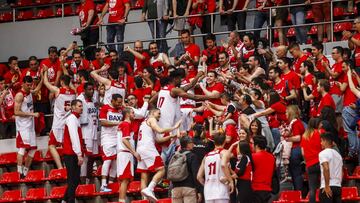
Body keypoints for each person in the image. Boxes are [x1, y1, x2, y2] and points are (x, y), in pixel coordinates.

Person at [137, 108, 182, 202]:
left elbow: (158, 140)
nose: (159, 116)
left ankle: (144, 199)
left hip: (140, 148)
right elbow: (160, 130)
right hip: (148, 148)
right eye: (158, 113)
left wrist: (170, 136)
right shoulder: (151, 119)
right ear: (152, 113)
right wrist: (174, 127)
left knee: (144, 174)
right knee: (161, 169)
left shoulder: (144, 123)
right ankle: (150, 189)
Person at [43, 70, 76, 169]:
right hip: (68, 124)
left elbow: (46, 83)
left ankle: (61, 167)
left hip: (58, 124)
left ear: (61, 82)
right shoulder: (74, 92)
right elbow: (71, 84)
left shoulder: (58, 91)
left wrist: (44, 72)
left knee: (51, 145)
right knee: (66, 147)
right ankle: (68, 166)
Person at [197, 132, 234, 203]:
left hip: (208, 192)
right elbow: (223, 165)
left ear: (214, 142)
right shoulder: (225, 152)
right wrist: (231, 181)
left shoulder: (206, 156)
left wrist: (206, 184)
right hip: (221, 191)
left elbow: (199, 176)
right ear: (224, 141)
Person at [14, 76, 39, 178]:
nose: (30, 86)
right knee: (22, 148)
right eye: (28, 85)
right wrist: (32, 114)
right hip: (22, 126)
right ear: (23, 84)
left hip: (30, 125)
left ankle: (25, 171)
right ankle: (19, 172)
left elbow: (37, 90)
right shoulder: (20, 95)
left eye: (31, 84)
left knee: (33, 149)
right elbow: (16, 112)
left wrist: (42, 76)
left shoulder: (30, 92)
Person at [99, 94, 124, 192]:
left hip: (118, 137)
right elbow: (103, 122)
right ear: (112, 101)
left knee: (116, 161)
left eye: (121, 102)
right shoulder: (105, 108)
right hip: (107, 138)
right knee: (108, 160)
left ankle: (111, 183)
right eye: (118, 102)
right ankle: (103, 185)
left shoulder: (121, 109)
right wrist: (117, 123)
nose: (120, 104)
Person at [62, 99, 85, 203]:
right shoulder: (72, 119)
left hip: (72, 153)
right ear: (73, 107)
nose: (81, 108)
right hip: (71, 153)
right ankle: (70, 200)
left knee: (74, 180)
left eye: (82, 106)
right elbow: (74, 137)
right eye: (79, 106)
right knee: (72, 180)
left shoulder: (75, 118)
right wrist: (79, 154)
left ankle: (64, 200)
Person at [116, 107, 139, 203]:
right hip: (125, 154)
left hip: (122, 154)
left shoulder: (122, 124)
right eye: (133, 113)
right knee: (125, 180)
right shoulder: (126, 124)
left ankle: (122, 199)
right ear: (128, 114)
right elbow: (125, 140)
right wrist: (134, 152)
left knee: (124, 180)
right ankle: (121, 201)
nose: (134, 114)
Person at [77, 82, 98, 183]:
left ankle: (88, 180)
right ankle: (83, 181)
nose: (92, 91)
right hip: (86, 132)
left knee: (92, 158)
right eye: (89, 89)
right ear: (84, 90)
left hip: (94, 131)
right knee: (85, 158)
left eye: (92, 89)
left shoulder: (94, 100)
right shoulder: (80, 100)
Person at [171, 136, 202, 203]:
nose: (193, 144)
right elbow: (195, 174)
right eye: (191, 143)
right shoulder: (192, 156)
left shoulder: (174, 156)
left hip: (175, 188)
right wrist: (199, 191)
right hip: (189, 188)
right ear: (187, 144)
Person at [300, 118, 322, 203]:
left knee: (312, 189)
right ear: (316, 124)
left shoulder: (304, 136)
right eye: (320, 124)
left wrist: (306, 161)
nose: (321, 125)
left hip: (309, 164)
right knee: (323, 186)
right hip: (320, 162)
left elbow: (302, 152)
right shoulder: (319, 133)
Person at [318, 132, 343, 203]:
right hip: (338, 186)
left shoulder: (322, 153)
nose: (321, 143)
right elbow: (342, 172)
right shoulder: (338, 155)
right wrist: (339, 184)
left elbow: (326, 168)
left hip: (327, 187)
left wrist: (326, 186)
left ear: (325, 141)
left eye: (321, 141)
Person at [251, 135, 275, 203]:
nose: (251, 145)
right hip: (267, 189)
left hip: (256, 188)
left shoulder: (253, 156)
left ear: (257, 145)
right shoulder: (272, 157)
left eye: (252, 143)